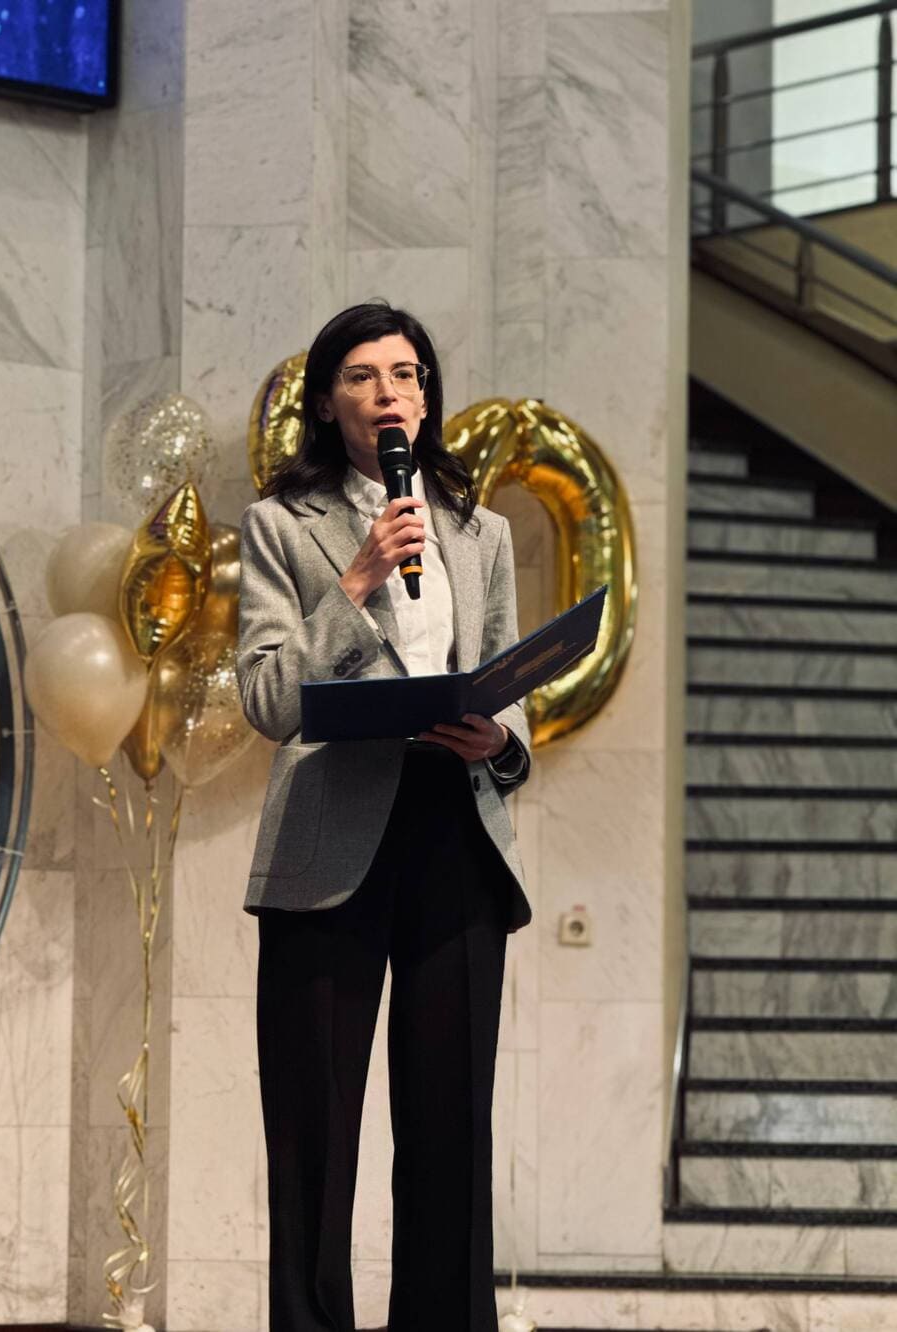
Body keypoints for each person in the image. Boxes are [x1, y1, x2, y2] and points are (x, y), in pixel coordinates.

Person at [237, 301, 532, 1332]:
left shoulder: (481, 531)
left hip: (455, 824)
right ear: (328, 402)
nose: (388, 393)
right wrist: (356, 582)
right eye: (362, 376)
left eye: (405, 374)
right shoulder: (283, 526)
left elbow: (506, 681)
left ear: (426, 395)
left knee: (451, 1121)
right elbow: (268, 699)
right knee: (313, 1127)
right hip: (333, 833)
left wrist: (501, 739)